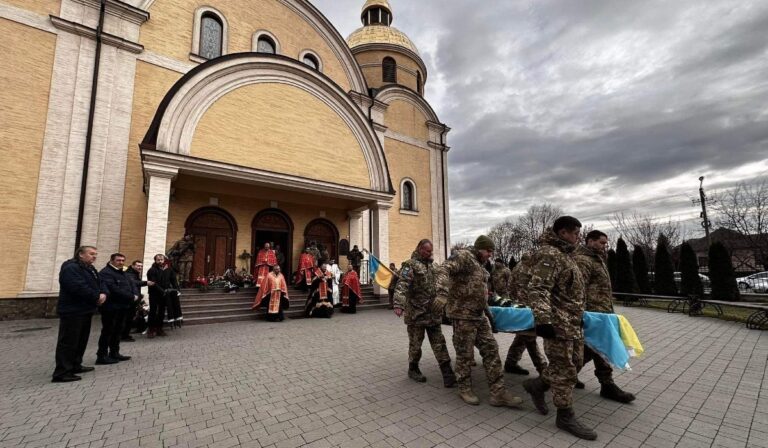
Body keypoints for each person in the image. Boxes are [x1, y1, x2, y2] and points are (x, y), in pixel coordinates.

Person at [521, 217, 597, 440]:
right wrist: (543, 320)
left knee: (575, 362)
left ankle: (537, 385)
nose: (578, 237)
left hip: (572, 322)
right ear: (563, 233)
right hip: (557, 324)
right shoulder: (549, 254)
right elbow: (538, 289)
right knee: (564, 370)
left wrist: (579, 316)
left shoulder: (566, 255)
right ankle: (565, 415)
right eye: (575, 233)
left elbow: (569, 291)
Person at [435, 235, 523, 408]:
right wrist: (442, 292)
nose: (490, 255)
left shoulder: (481, 267)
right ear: (479, 247)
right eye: (488, 251)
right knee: (465, 354)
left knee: (491, 350)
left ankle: (498, 393)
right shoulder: (463, 257)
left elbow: (481, 296)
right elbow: (443, 270)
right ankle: (464, 388)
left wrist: (490, 317)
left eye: (491, 251)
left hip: (479, 316)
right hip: (463, 316)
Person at [575, 230, 636, 403]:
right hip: (592, 316)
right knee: (588, 351)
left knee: (598, 351)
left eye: (606, 243)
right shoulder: (583, 260)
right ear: (590, 241)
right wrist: (582, 315)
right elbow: (578, 289)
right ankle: (545, 382)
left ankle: (607, 384)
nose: (605, 246)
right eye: (601, 243)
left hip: (603, 314)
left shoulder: (597, 259)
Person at [394, 240, 457, 388]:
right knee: (416, 345)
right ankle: (413, 368)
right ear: (420, 249)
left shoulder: (434, 266)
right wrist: (398, 303)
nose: (431, 253)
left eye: (431, 251)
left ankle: (448, 374)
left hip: (433, 314)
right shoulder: (410, 265)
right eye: (428, 251)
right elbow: (402, 284)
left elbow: (442, 283)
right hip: (416, 315)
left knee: (440, 343)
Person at [52, 246, 106, 383]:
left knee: (81, 340)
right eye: (91, 254)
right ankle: (62, 372)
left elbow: (100, 282)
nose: (94, 256)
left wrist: (103, 293)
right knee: (69, 341)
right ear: (81, 254)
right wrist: (96, 296)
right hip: (72, 310)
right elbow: (77, 287)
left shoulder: (90, 268)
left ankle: (76, 364)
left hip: (85, 309)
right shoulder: (71, 268)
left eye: (95, 254)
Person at [503, 253, 548, 376]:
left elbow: (510, 287)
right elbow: (536, 288)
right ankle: (542, 368)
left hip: (519, 307)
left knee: (522, 336)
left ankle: (511, 363)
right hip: (528, 308)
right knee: (529, 337)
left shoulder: (517, 267)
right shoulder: (530, 269)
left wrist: (514, 302)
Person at [96, 253, 135, 364]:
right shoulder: (106, 273)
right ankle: (102, 355)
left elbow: (130, 284)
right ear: (112, 260)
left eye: (123, 260)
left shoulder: (122, 272)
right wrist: (131, 296)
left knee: (118, 330)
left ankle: (114, 352)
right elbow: (113, 289)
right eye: (118, 260)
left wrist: (134, 294)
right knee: (108, 331)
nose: (121, 262)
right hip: (111, 307)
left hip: (122, 306)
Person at [146, 254, 179, 338]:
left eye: (161, 259)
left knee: (161, 311)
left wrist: (177, 289)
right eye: (158, 260)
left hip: (165, 294)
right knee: (153, 311)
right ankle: (151, 329)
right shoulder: (152, 270)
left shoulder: (169, 269)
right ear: (155, 260)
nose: (160, 261)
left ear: (164, 260)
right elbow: (153, 282)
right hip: (154, 293)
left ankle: (159, 329)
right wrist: (162, 291)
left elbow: (173, 280)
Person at [122, 260, 153, 341]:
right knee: (127, 318)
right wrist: (146, 282)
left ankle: (125, 335)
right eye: (138, 266)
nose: (140, 267)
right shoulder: (129, 274)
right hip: (130, 299)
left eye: (141, 266)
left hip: (134, 298)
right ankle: (123, 336)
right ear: (132, 266)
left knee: (130, 317)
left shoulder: (134, 273)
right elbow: (134, 283)